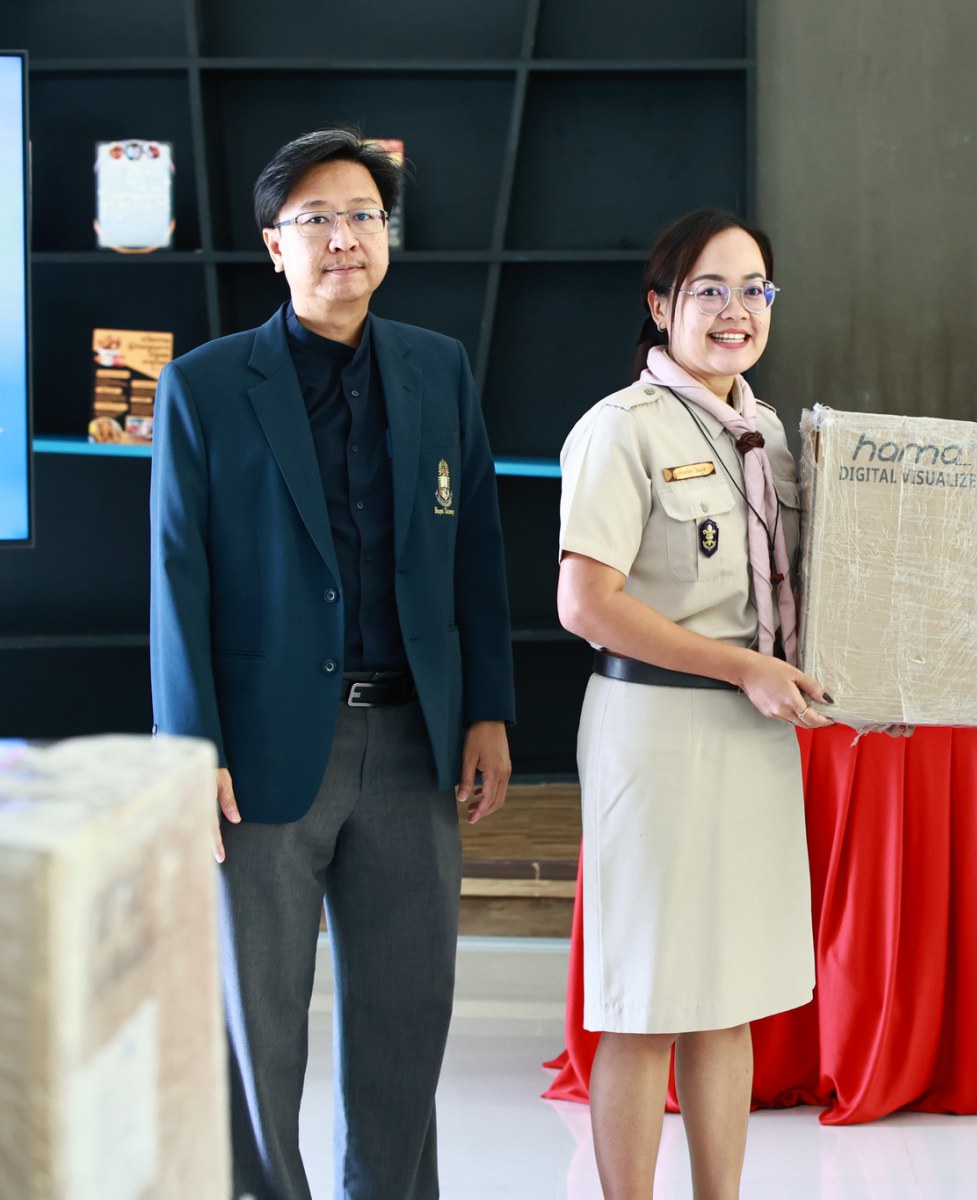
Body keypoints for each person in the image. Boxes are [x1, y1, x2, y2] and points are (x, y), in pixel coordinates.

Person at [150, 127, 515, 1199]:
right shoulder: (206, 385)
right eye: (317, 219)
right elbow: (177, 577)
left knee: (407, 1013)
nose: (345, 238)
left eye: (363, 216)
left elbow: (477, 551)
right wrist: (190, 746)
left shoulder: (437, 368)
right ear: (275, 244)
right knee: (256, 1023)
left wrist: (488, 708)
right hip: (261, 750)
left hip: (412, 742)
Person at [555, 208, 824, 1200]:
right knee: (646, 1002)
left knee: (728, 996)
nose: (734, 310)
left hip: (751, 734)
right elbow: (586, 602)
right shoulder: (620, 428)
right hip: (657, 733)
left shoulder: (772, 433)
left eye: (755, 289)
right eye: (709, 289)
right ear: (662, 305)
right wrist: (738, 667)